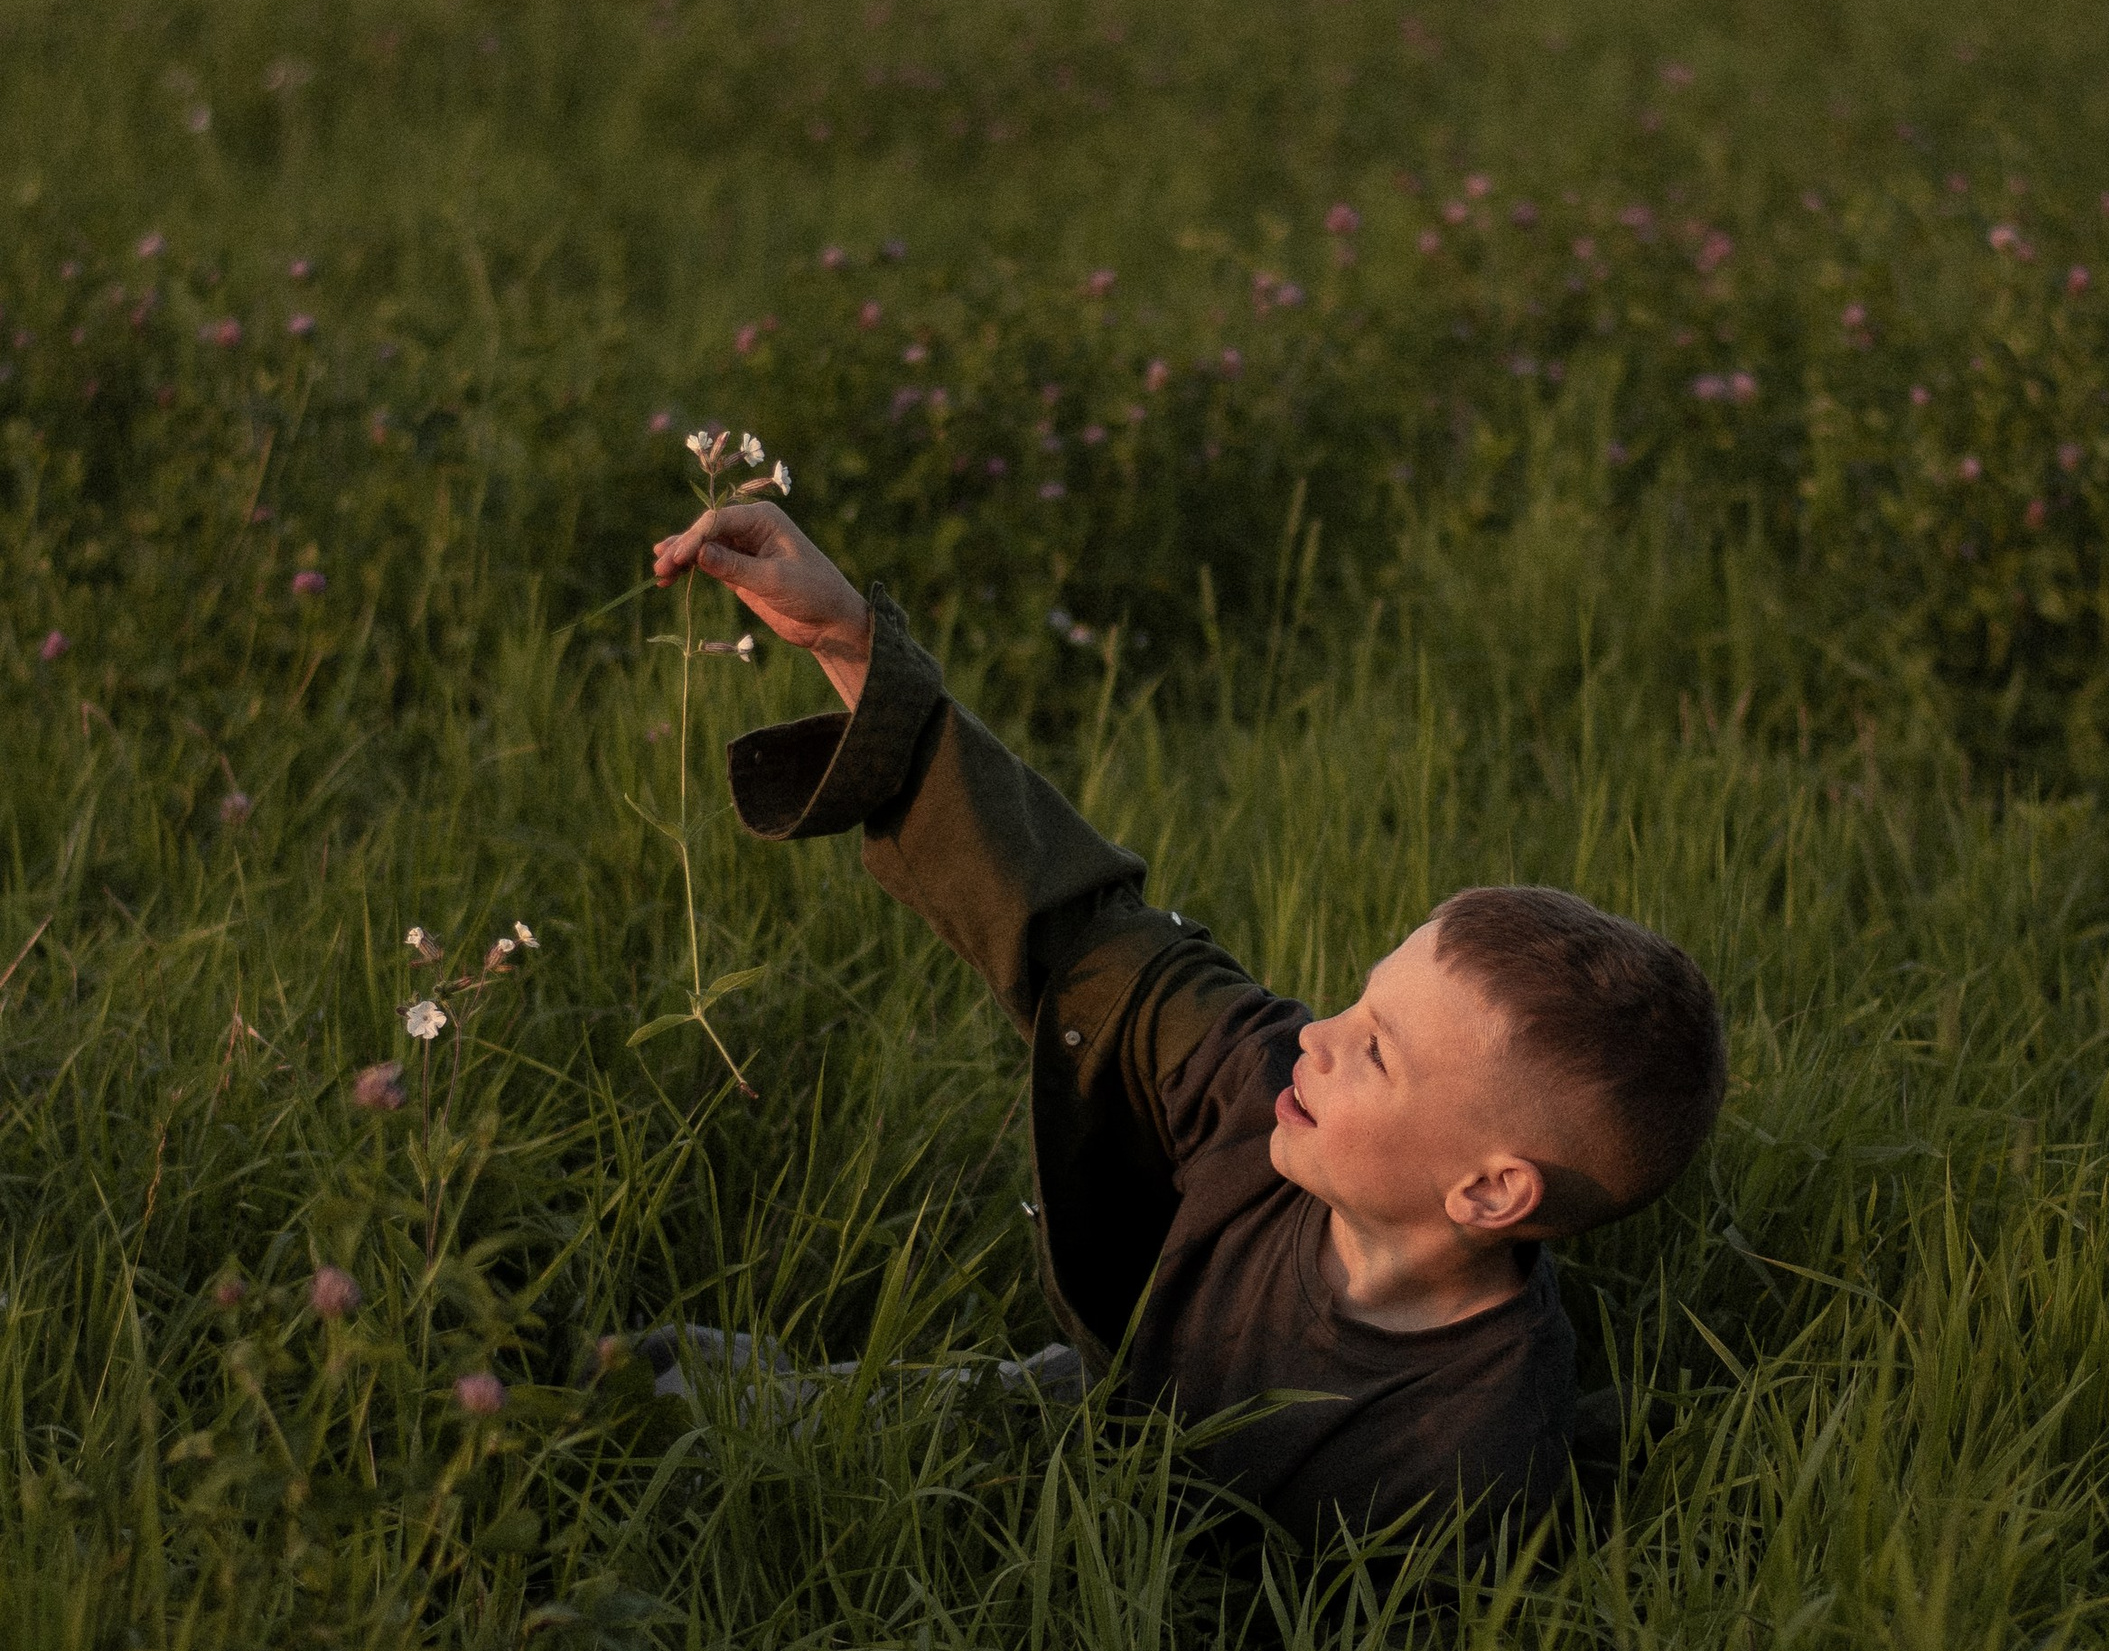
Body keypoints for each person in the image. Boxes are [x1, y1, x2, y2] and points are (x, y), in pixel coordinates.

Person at [648, 498, 1728, 1560]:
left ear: (1489, 1191)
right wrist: (849, 638)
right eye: (1358, 1002)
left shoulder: (1471, 1460)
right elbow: (1079, 925)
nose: (1317, 1035)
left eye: (1379, 1050)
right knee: (709, 1412)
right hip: (1089, 1416)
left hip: (1148, 1598)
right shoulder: (1270, 1090)